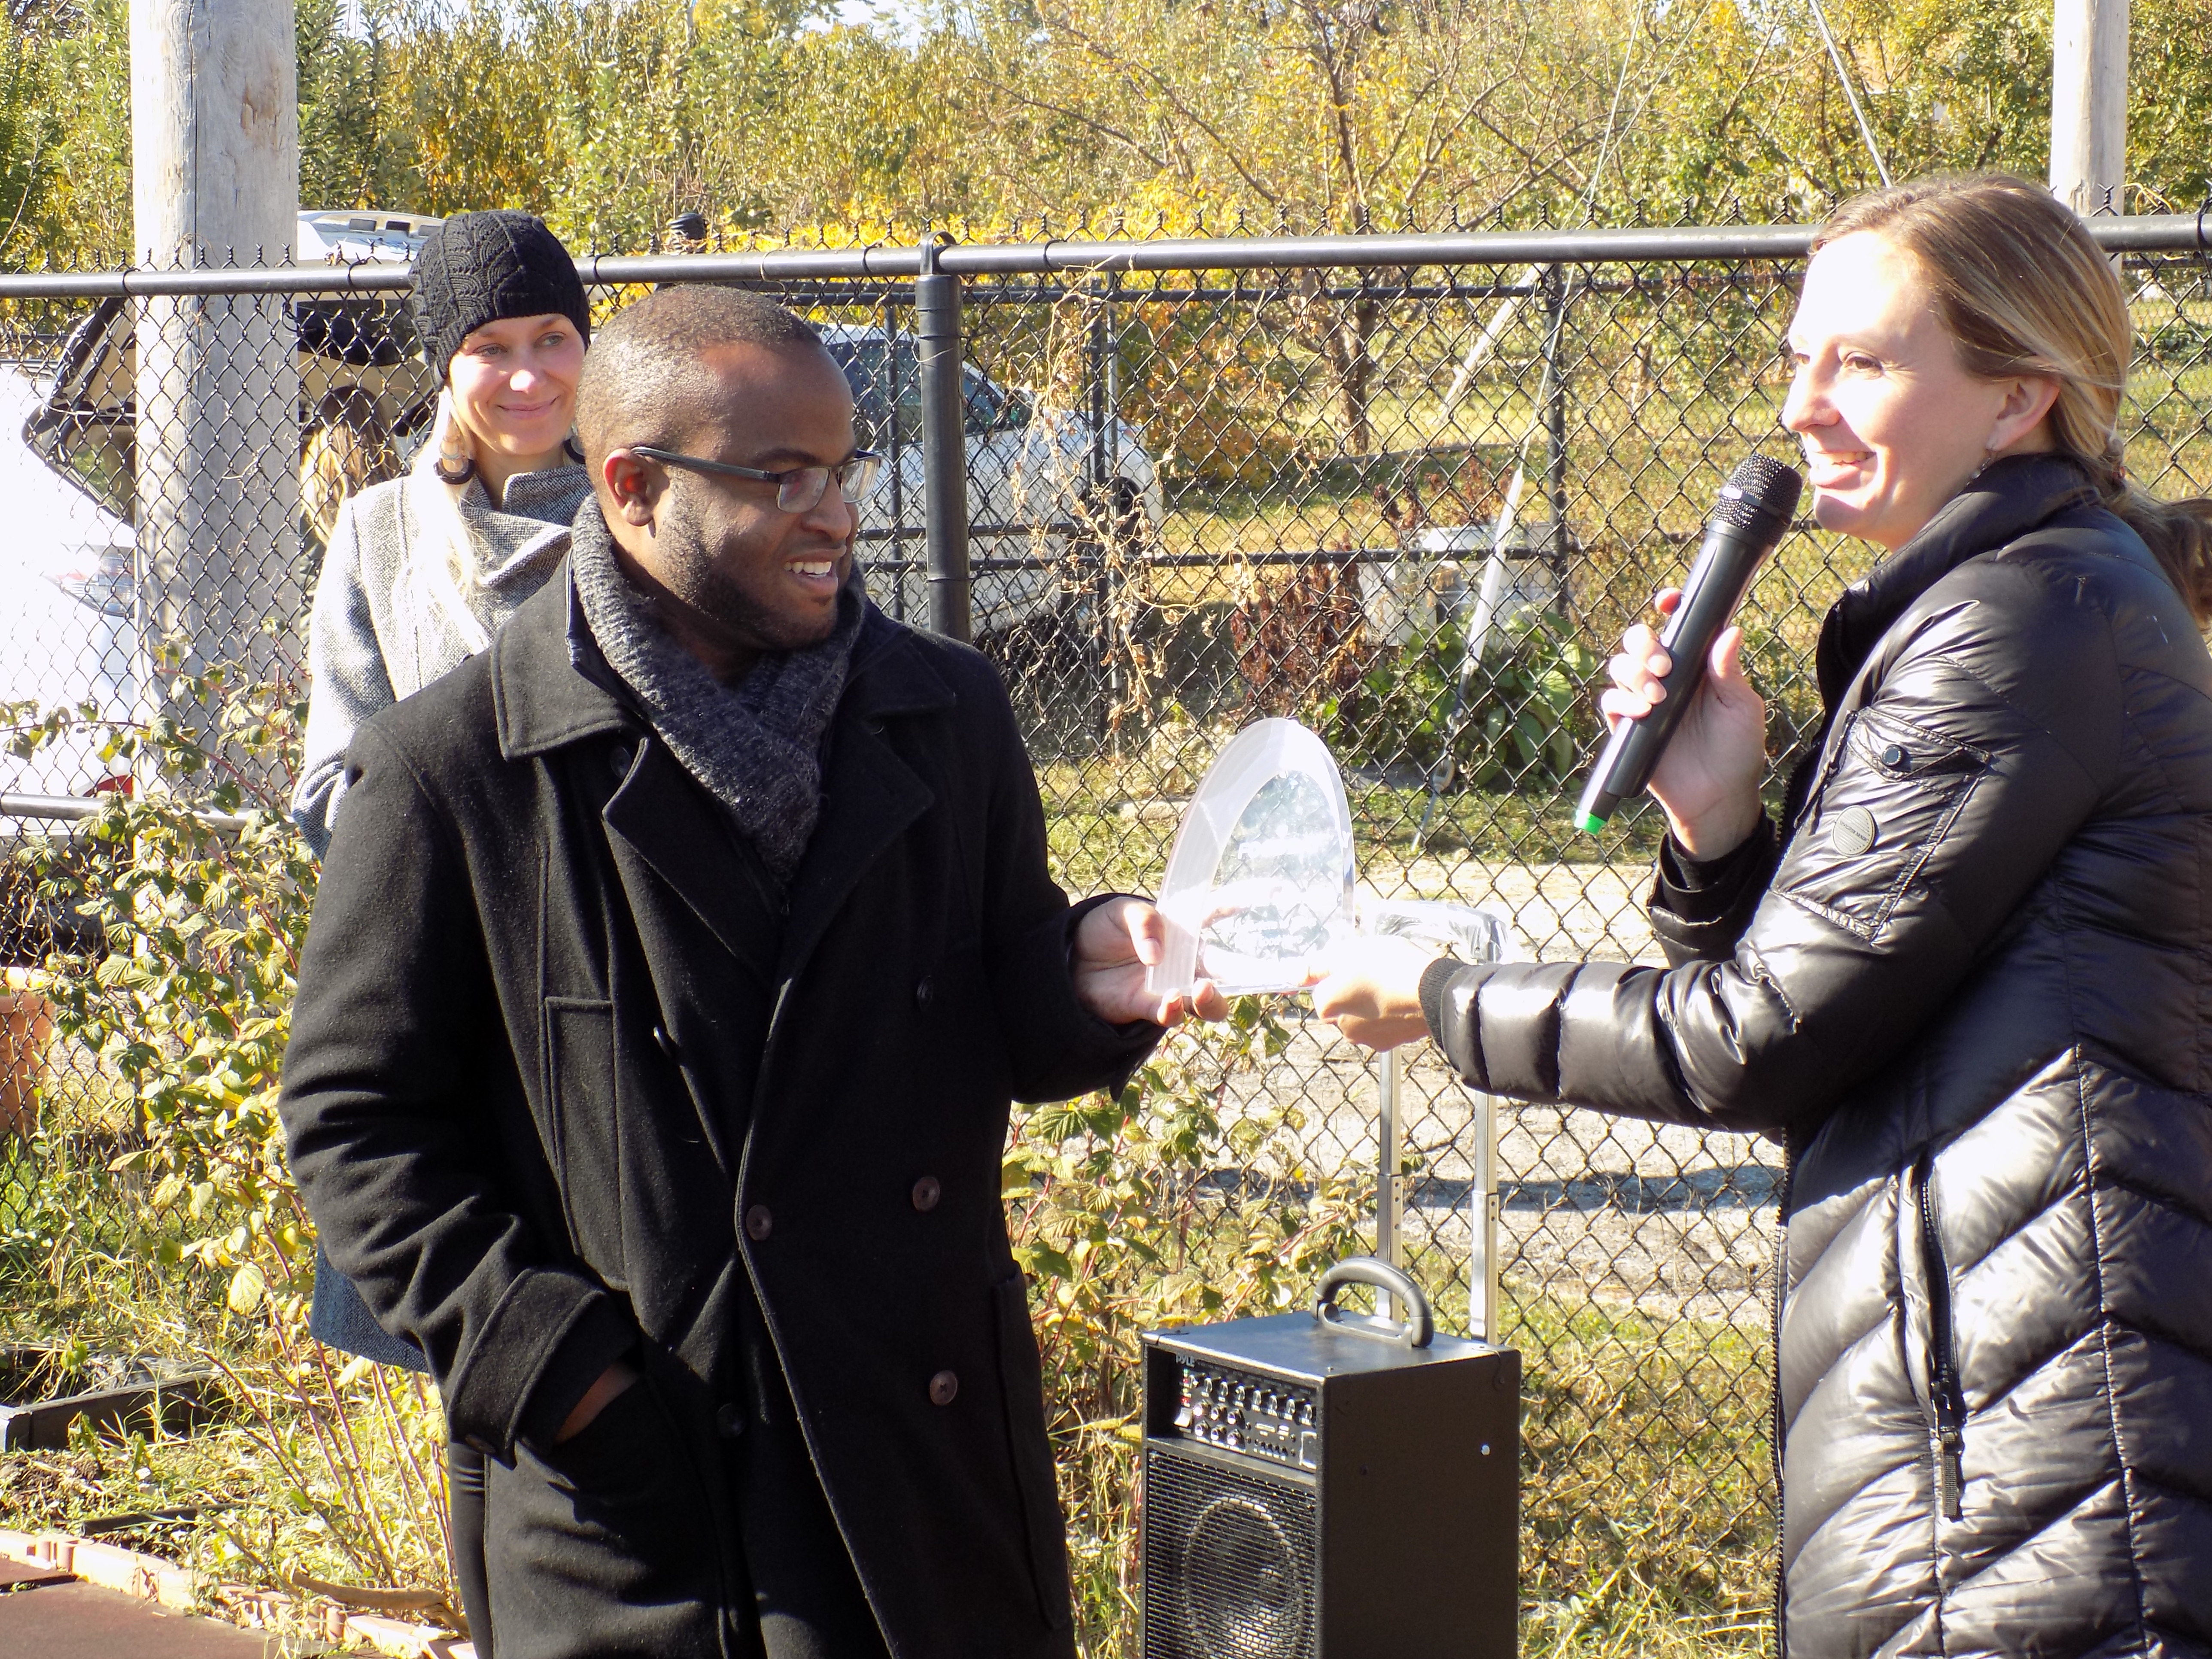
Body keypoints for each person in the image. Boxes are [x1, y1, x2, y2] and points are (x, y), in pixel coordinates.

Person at [1312, 172, 2212, 1653]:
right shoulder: (2009, 598)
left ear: (2018, 401)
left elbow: (1756, 1040)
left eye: (1862, 361)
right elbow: (1853, 1009)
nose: (1804, 406)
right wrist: (1722, 821)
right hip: (1993, 1402)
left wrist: (1440, 994)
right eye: (1798, 357)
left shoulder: (2021, 618)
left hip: (2041, 1463)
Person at [277, 282, 1222, 1659]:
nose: (836, 511)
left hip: (925, 1469)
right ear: (635, 484)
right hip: (642, 1511)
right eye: (781, 478)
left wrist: (1086, 973)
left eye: (840, 468)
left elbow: (999, 1005)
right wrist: (553, 1366)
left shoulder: (944, 711)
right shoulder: (455, 768)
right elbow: (354, 1120)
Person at [288, 208, 594, 1649]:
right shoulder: (381, 534)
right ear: (442, 366)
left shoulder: (647, 503)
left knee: (615, 1361)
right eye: (489, 349)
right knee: (481, 1364)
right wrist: (448, 850)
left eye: (550, 340)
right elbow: (333, 780)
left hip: (616, 1001)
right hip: (453, 1003)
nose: (526, 375)